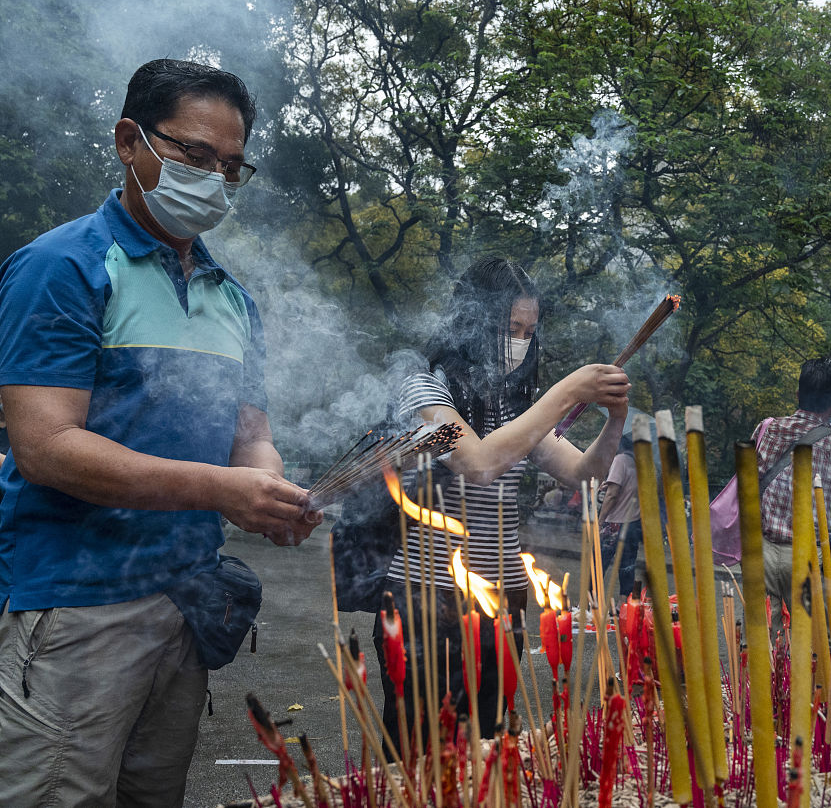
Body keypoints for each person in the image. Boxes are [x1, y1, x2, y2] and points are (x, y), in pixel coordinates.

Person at [0, 60, 321, 807]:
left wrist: (268, 485)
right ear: (127, 141)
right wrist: (222, 490)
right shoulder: (64, 267)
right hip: (80, 602)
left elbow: (250, 431)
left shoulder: (231, 296)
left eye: (231, 167)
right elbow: (46, 447)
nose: (212, 179)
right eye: (194, 155)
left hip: (186, 601)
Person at [374, 256, 629, 744]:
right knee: (421, 756)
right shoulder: (424, 390)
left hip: (503, 603)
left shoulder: (512, 407)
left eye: (530, 331)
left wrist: (614, 417)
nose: (522, 341)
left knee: (490, 750)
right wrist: (565, 392)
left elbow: (584, 473)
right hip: (429, 600)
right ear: (475, 322)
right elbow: (479, 462)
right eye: (513, 327)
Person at [758, 358, 831, 623]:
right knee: (813, 647)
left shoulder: (768, 429)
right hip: (809, 557)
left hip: (761, 551)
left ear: (798, 394)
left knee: (763, 641)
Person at [597, 435, 642, 597]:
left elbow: (612, 495)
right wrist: (608, 484)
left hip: (614, 524)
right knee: (627, 565)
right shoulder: (639, 464)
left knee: (598, 564)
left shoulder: (620, 460)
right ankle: (622, 606)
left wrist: (600, 520)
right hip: (633, 523)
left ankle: (590, 604)